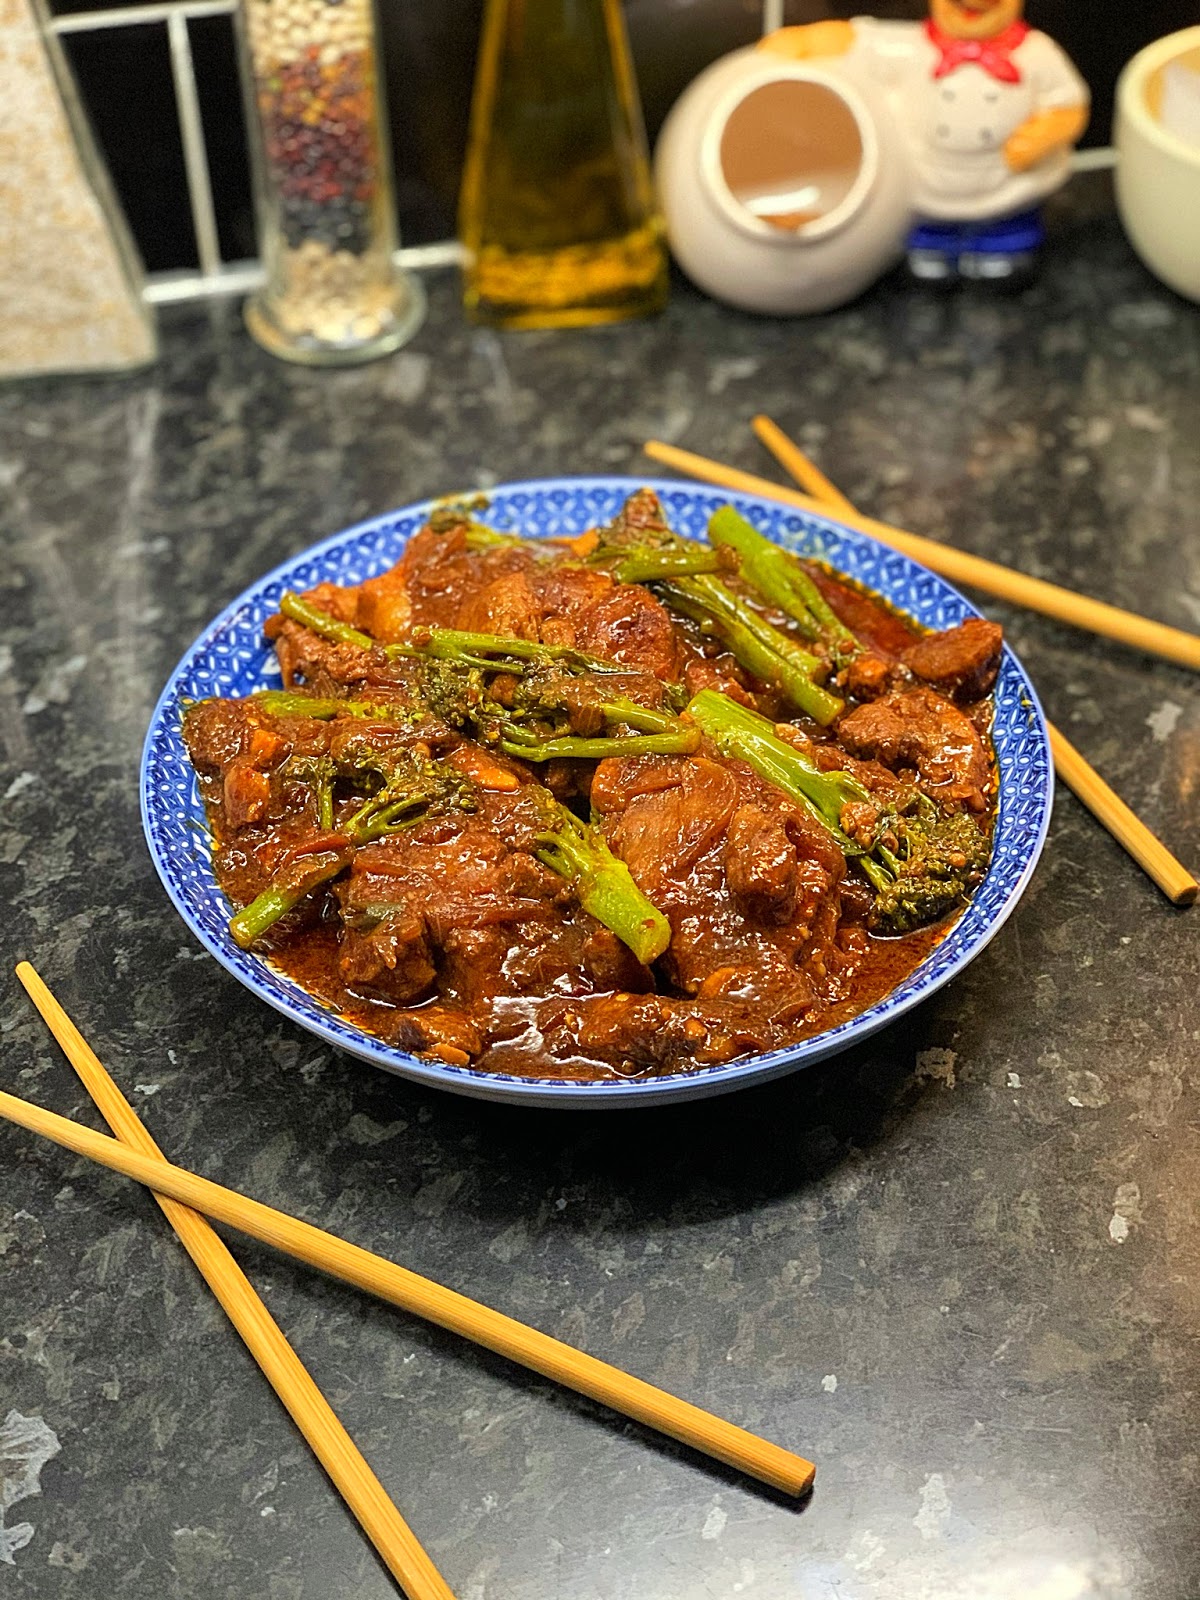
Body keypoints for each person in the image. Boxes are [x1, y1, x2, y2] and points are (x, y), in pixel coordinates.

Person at [760, 0, 1089, 283]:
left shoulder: (1038, 54)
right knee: (927, 243)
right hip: (928, 184)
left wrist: (1043, 134)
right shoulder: (910, 48)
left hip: (1007, 183)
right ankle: (932, 250)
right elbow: (855, 40)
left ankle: (1000, 249)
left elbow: (1069, 104)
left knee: (1007, 233)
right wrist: (805, 41)